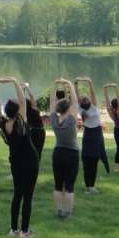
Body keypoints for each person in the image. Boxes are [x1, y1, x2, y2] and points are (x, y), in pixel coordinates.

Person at [0, 77, 38, 238]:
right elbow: (23, 101)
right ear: (17, 110)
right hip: (31, 162)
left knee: (17, 194)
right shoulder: (22, 120)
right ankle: (25, 232)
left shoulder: (2, 124)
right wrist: (14, 81)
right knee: (28, 197)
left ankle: (14, 229)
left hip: (16, 163)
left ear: (6, 111)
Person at [49, 79, 80, 218]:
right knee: (69, 186)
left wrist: (55, 85)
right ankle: (67, 213)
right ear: (68, 108)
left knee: (57, 185)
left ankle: (59, 210)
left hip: (58, 153)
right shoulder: (72, 119)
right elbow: (75, 101)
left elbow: (51, 102)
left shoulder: (54, 120)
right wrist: (69, 84)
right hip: (72, 154)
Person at [76, 77, 109, 194]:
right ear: (89, 102)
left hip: (87, 136)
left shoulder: (80, 109)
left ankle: (88, 187)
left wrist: (75, 84)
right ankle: (91, 187)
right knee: (94, 161)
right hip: (95, 136)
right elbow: (93, 93)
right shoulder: (93, 108)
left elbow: (76, 97)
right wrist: (90, 82)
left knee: (86, 162)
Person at [23, 84, 47, 164]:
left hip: (33, 131)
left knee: (31, 149)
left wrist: (22, 90)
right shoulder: (33, 109)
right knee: (38, 150)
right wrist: (27, 88)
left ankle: (31, 163)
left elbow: (22, 100)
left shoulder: (24, 112)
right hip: (40, 131)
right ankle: (35, 164)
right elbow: (32, 97)